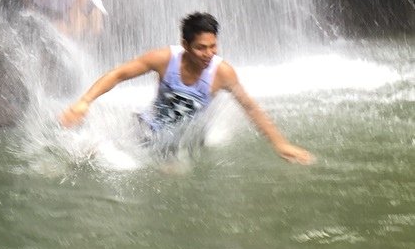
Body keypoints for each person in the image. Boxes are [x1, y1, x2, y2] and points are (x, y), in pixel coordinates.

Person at [59, 12, 315, 164]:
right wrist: (85, 101)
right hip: (149, 128)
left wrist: (281, 144)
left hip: (185, 142)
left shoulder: (222, 72)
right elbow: (118, 74)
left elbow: (250, 107)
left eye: (213, 46)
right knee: (90, 152)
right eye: (201, 47)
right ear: (185, 44)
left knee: (173, 174)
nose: (208, 54)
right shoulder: (163, 59)